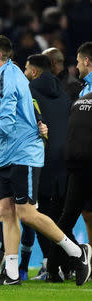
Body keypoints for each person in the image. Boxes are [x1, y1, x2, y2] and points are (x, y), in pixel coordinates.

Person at [0, 34, 91, 286]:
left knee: (27, 213)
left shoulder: (8, 76)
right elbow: (27, 106)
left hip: (22, 154)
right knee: (6, 211)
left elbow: (5, 121)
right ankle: (10, 274)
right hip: (3, 154)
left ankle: (77, 253)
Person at [21, 54, 70, 280]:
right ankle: (63, 265)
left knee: (37, 215)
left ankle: (52, 265)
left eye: (25, 68)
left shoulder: (28, 92)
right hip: (65, 164)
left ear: (33, 72)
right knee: (59, 216)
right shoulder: (65, 93)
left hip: (39, 161)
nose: (23, 72)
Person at [47, 91, 92, 282]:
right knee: (68, 218)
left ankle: (52, 269)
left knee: (66, 219)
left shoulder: (79, 102)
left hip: (75, 166)